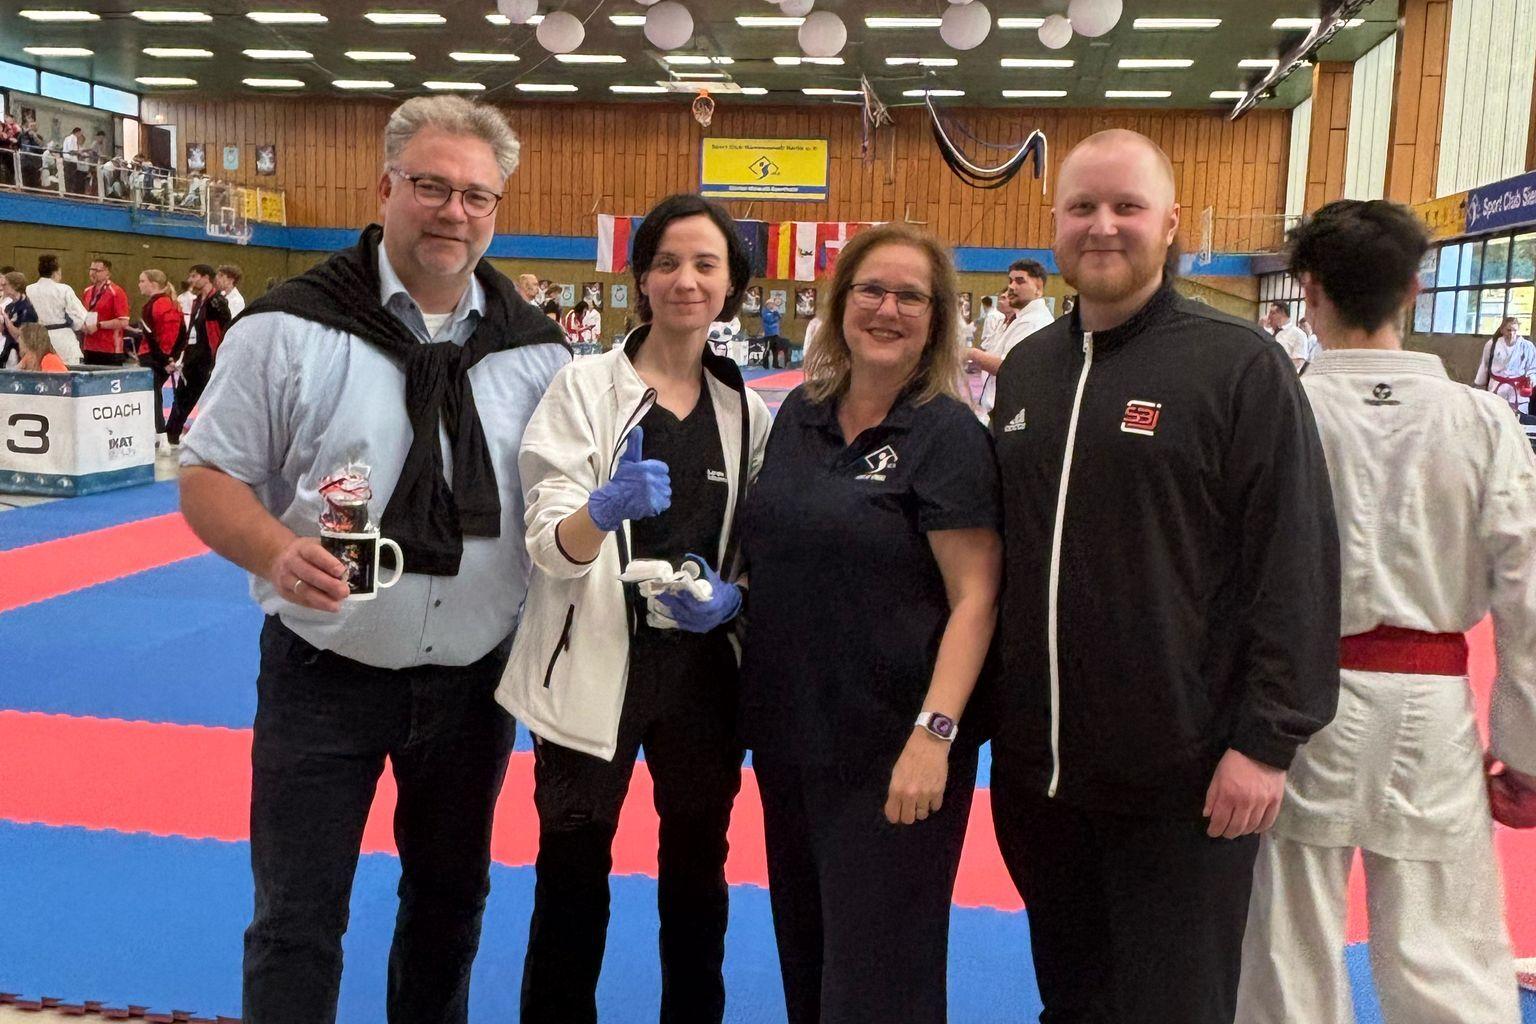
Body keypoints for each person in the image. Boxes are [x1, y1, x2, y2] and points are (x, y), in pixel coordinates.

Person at [177, 95, 568, 1024]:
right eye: (432, 186)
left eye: (478, 196)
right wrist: (275, 549)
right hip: (325, 671)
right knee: (297, 918)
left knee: (447, 908)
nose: (454, 212)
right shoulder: (286, 328)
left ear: (497, 210)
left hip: (477, 684)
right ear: (385, 187)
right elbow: (207, 477)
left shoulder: (537, 353)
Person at [987, 129, 1341, 1024]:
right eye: (1083, 207)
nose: (1103, 226)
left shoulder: (1239, 368)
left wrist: (1267, 742)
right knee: (1072, 1001)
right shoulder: (1030, 368)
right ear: (1055, 222)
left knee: (1173, 1006)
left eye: (1127, 206)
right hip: (1042, 782)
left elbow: (1294, 563)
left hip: (1184, 784)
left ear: (1172, 222)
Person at [1236, 199, 1536, 1024]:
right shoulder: (1481, 421)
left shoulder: (1282, 409)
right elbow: (1528, 594)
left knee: (1283, 946)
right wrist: (1526, 749)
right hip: (1433, 713)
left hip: (1294, 708)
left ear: (1308, 289)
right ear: (1413, 287)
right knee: (1448, 946)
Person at [498, 193, 771, 1024]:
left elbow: (763, 554)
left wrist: (732, 601)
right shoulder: (584, 388)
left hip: (701, 680)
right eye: (666, 263)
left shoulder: (747, 413)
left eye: (706, 265)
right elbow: (548, 544)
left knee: (697, 873)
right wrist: (602, 509)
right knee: (572, 874)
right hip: (589, 671)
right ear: (641, 278)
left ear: (732, 287)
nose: (685, 281)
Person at [739, 222, 1001, 1024]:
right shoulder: (801, 416)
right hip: (791, 738)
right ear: (841, 301)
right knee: (809, 957)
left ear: (937, 316)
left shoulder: (948, 434)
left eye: (909, 296)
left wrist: (935, 732)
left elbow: (976, 599)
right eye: (871, 291)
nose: (887, 310)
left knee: (880, 976)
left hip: (894, 751)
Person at [971, 259, 1054, 423]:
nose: (1012, 287)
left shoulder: (1034, 323)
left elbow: (1009, 368)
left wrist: (971, 353)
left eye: (1020, 281)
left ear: (1038, 287)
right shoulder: (1019, 319)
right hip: (1001, 411)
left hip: (1013, 415)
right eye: (1010, 281)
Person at [164, 264, 230, 447]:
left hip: (208, 359)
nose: (191, 280)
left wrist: (219, 358)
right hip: (193, 356)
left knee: (203, 400)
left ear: (206, 278)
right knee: (182, 395)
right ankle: (172, 435)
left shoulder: (217, 302)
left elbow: (226, 330)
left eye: (194, 276)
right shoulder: (196, 301)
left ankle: (200, 438)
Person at [135, 269, 186, 440]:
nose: (139, 284)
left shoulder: (151, 306)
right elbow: (182, 335)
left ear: (153, 284)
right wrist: (173, 357)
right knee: (154, 393)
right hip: (167, 357)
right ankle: (159, 432)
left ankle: (159, 432)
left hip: (152, 356)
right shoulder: (175, 304)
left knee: (152, 394)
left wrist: (164, 360)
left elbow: (150, 338)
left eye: (142, 281)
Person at [25, 254, 88, 365]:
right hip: (62, 339)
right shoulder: (64, 289)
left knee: (40, 371)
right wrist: (84, 325)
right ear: (56, 272)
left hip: (37, 337)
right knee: (66, 373)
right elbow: (80, 315)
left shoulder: (29, 290)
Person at [1473, 315, 1536, 415]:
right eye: (1508, 330)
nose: (1511, 333)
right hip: (1496, 388)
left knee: (1518, 421)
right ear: (1502, 330)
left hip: (1518, 391)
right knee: (1495, 417)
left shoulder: (1527, 346)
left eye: (1515, 330)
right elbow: (1485, 365)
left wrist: (1531, 379)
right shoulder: (1492, 344)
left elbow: (1532, 368)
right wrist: (1479, 384)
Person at [80, 257, 132, 366]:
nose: (93, 273)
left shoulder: (116, 292)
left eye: (97, 270)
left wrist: (99, 325)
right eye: (91, 269)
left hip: (110, 349)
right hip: (89, 346)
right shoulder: (87, 291)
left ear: (108, 274)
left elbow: (123, 322)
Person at [1, 271, 38, 369]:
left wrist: (6, 319)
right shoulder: (9, 306)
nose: (2, 287)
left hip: (21, 352)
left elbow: (20, 335)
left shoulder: (27, 309)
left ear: (15, 286)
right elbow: (4, 331)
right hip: (8, 349)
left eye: (5, 284)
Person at [1267, 300, 1311, 371]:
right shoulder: (1268, 332)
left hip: (1284, 377)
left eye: (1272, 313)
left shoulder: (1298, 335)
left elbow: (1298, 362)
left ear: (1282, 313)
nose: (1269, 316)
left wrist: (1277, 371)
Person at [760, 293, 785, 368]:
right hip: (768, 334)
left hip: (775, 334)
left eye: (773, 304)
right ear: (768, 304)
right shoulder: (765, 312)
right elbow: (770, 320)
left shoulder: (774, 312)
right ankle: (765, 364)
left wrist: (776, 313)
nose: (773, 305)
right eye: (771, 304)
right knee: (767, 350)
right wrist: (775, 315)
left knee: (775, 350)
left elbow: (779, 318)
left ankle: (775, 364)